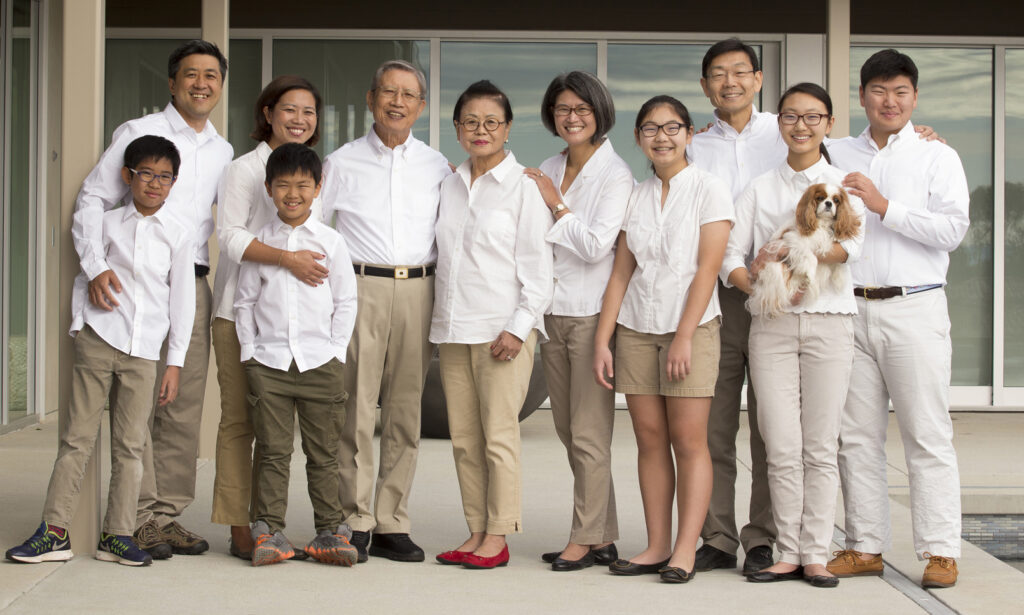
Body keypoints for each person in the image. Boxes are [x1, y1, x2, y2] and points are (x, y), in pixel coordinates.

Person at [72, 39, 233, 559]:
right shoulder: (138, 133)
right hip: (131, 286)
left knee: (182, 406)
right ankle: (135, 518)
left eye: (211, 75)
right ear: (172, 82)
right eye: (191, 74)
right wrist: (95, 265)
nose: (201, 83)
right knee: (134, 410)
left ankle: (166, 515)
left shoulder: (222, 150)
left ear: (220, 85)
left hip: (191, 283)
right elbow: (94, 198)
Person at [6, 136, 195, 567]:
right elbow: (86, 271)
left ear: (173, 183)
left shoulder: (179, 234)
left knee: (131, 445)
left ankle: (118, 534)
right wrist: (85, 308)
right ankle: (54, 532)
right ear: (128, 177)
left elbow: (181, 302)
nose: (154, 184)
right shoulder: (106, 224)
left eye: (164, 177)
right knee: (77, 439)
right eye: (146, 173)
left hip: (145, 351)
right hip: (100, 337)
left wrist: (175, 362)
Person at [826, 49, 970, 589]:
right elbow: (783, 127)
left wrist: (885, 205)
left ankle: (940, 550)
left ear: (914, 98)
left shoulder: (937, 156)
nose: (890, 101)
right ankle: (864, 545)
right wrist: (697, 135)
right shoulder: (834, 150)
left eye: (901, 92)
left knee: (926, 433)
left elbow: (952, 231)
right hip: (848, 307)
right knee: (855, 436)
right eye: (880, 91)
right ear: (862, 96)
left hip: (915, 306)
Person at [723, 83, 865, 588]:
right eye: (790, 116)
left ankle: (816, 553)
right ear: (777, 122)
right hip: (772, 326)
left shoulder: (842, 183)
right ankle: (786, 551)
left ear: (827, 122)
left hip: (830, 323)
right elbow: (728, 256)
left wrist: (794, 253)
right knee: (780, 445)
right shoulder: (759, 187)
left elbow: (852, 246)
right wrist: (758, 279)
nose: (801, 125)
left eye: (812, 117)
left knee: (821, 446)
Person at [594, 96, 733, 583]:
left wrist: (684, 337)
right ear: (638, 139)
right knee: (650, 440)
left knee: (688, 441)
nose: (661, 136)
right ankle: (655, 545)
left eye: (672, 127)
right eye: (650, 128)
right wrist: (602, 339)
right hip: (636, 328)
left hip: (690, 332)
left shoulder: (710, 189)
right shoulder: (635, 194)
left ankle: (684, 550)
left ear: (690, 134)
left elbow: (708, 270)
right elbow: (620, 274)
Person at [320, 59, 451, 563]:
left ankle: (393, 518)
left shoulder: (437, 166)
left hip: (419, 288)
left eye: (408, 94)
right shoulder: (341, 162)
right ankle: (355, 517)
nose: (397, 102)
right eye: (388, 92)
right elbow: (315, 227)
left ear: (420, 106)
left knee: (405, 408)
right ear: (372, 98)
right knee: (354, 405)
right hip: (359, 286)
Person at [431, 80, 553, 570]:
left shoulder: (524, 187)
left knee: (498, 436)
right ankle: (476, 529)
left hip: (501, 333)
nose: (481, 131)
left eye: (491, 122)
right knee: (464, 439)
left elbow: (539, 271)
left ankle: (498, 535)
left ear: (506, 128)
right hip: (454, 331)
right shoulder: (449, 183)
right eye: (470, 122)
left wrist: (518, 327)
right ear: (457, 128)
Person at [522, 71, 633, 572]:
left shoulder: (617, 176)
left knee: (588, 433)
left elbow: (594, 247)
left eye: (581, 109)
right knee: (570, 430)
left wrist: (554, 201)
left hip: (591, 317)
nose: (572, 117)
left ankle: (585, 537)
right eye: (563, 109)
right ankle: (602, 535)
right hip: (553, 314)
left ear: (599, 113)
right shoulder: (550, 165)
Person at [211, 75, 325, 559]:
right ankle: (240, 524)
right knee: (241, 422)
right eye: (289, 110)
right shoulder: (243, 169)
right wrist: (286, 260)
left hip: (296, 321)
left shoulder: (316, 170)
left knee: (280, 429)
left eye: (309, 112)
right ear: (268, 114)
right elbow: (230, 238)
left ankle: (267, 522)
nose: (299, 120)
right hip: (239, 315)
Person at [234, 143, 359, 567]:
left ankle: (330, 531)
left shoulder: (331, 242)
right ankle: (268, 530)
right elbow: (244, 303)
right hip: (268, 365)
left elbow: (346, 301)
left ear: (318, 187)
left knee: (324, 452)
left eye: (302, 185)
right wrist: (250, 355)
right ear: (268, 189)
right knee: (272, 451)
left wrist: (336, 352)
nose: (293, 194)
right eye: (283, 185)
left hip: (320, 363)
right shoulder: (260, 245)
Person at [687, 38, 785, 575]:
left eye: (740, 72)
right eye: (718, 74)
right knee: (713, 424)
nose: (730, 82)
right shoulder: (694, 147)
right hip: (713, 294)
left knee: (770, 425)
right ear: (705, 87)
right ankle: (718, 535)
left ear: (759, 78)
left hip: (776, 293)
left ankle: (763, 535)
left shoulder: (786, 130)